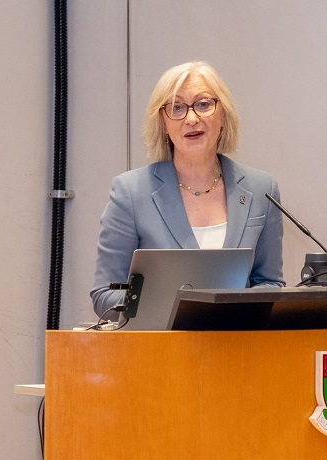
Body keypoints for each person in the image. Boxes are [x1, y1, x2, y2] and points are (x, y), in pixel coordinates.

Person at [91, 61, 285, 318]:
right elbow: (105, 295)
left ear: (223, 115)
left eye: (203, 104)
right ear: (163, 122)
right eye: (177, 108)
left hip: (237, 350)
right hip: (159, 353)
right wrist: (181, 307)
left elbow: (270, 284)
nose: (191, 119)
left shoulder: (262, 189)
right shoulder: (130, 192)